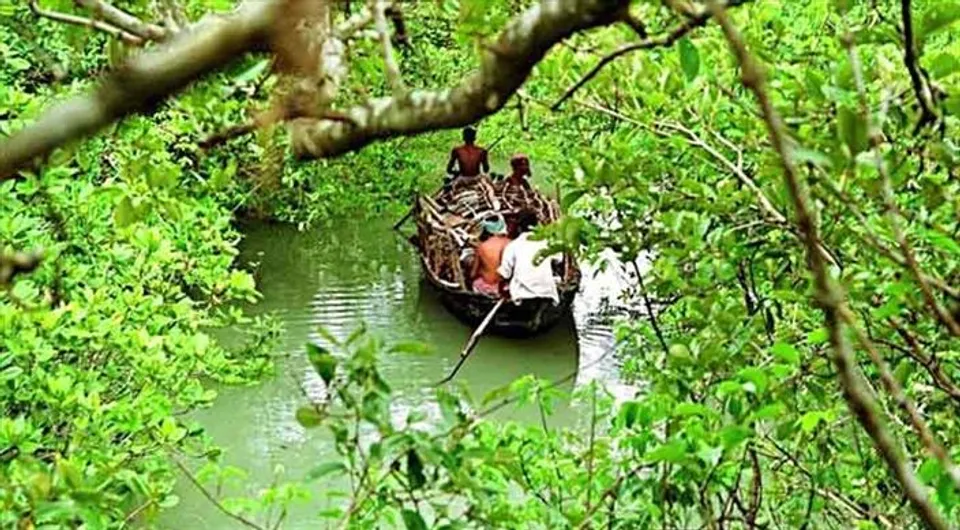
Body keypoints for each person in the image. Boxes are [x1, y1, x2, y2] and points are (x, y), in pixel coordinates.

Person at [497, 211, 561, 304]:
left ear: (519, 228)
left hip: (522, 295)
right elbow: (559, 259)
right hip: (547, 293)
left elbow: (505, 273)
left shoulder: (513, 245)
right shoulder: (547, 242)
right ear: (537, 225)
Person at [470, 215, 510, 296]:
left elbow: (473, 274)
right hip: (505, 287)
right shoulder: (512, 243)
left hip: (485, 287)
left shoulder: (482, 246)